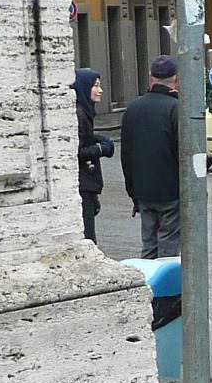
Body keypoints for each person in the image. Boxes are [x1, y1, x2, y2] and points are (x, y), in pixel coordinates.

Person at [121, 55, 181, 259]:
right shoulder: (176, 108)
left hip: (143, 191)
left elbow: (126, 156)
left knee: (148, 245)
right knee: (168, 246)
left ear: (150, 77)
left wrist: (133, 192)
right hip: (171, 192)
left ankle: (149, 278)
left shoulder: (132, 109)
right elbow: (183, 153)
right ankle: (167, 280)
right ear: (176, 79)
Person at [73, 68, 114, 243]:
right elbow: (77, 150)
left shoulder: (85, 112)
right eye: (95, 86)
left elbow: (83, 139)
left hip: (87, 185)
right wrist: (101, 149)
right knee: (88, 238)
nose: (100, 90)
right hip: (83, 185)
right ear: (84, 87)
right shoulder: (80, 114)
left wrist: (97, 139)